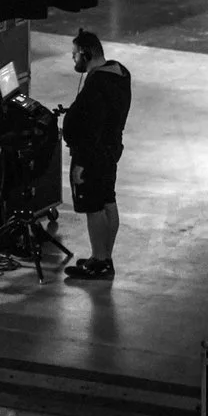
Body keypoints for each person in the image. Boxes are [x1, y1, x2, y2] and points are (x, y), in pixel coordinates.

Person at [60, 29, 130, 281]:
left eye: (75, 55)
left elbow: (92, 129)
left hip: (92, 156)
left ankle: (100, 260)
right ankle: (104, 257)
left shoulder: (97, 85)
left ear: (86, 54)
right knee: (108, 202)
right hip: (111, 152)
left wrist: (81, 163)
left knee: (94, 208)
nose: (73, 60)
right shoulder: (120, 73)